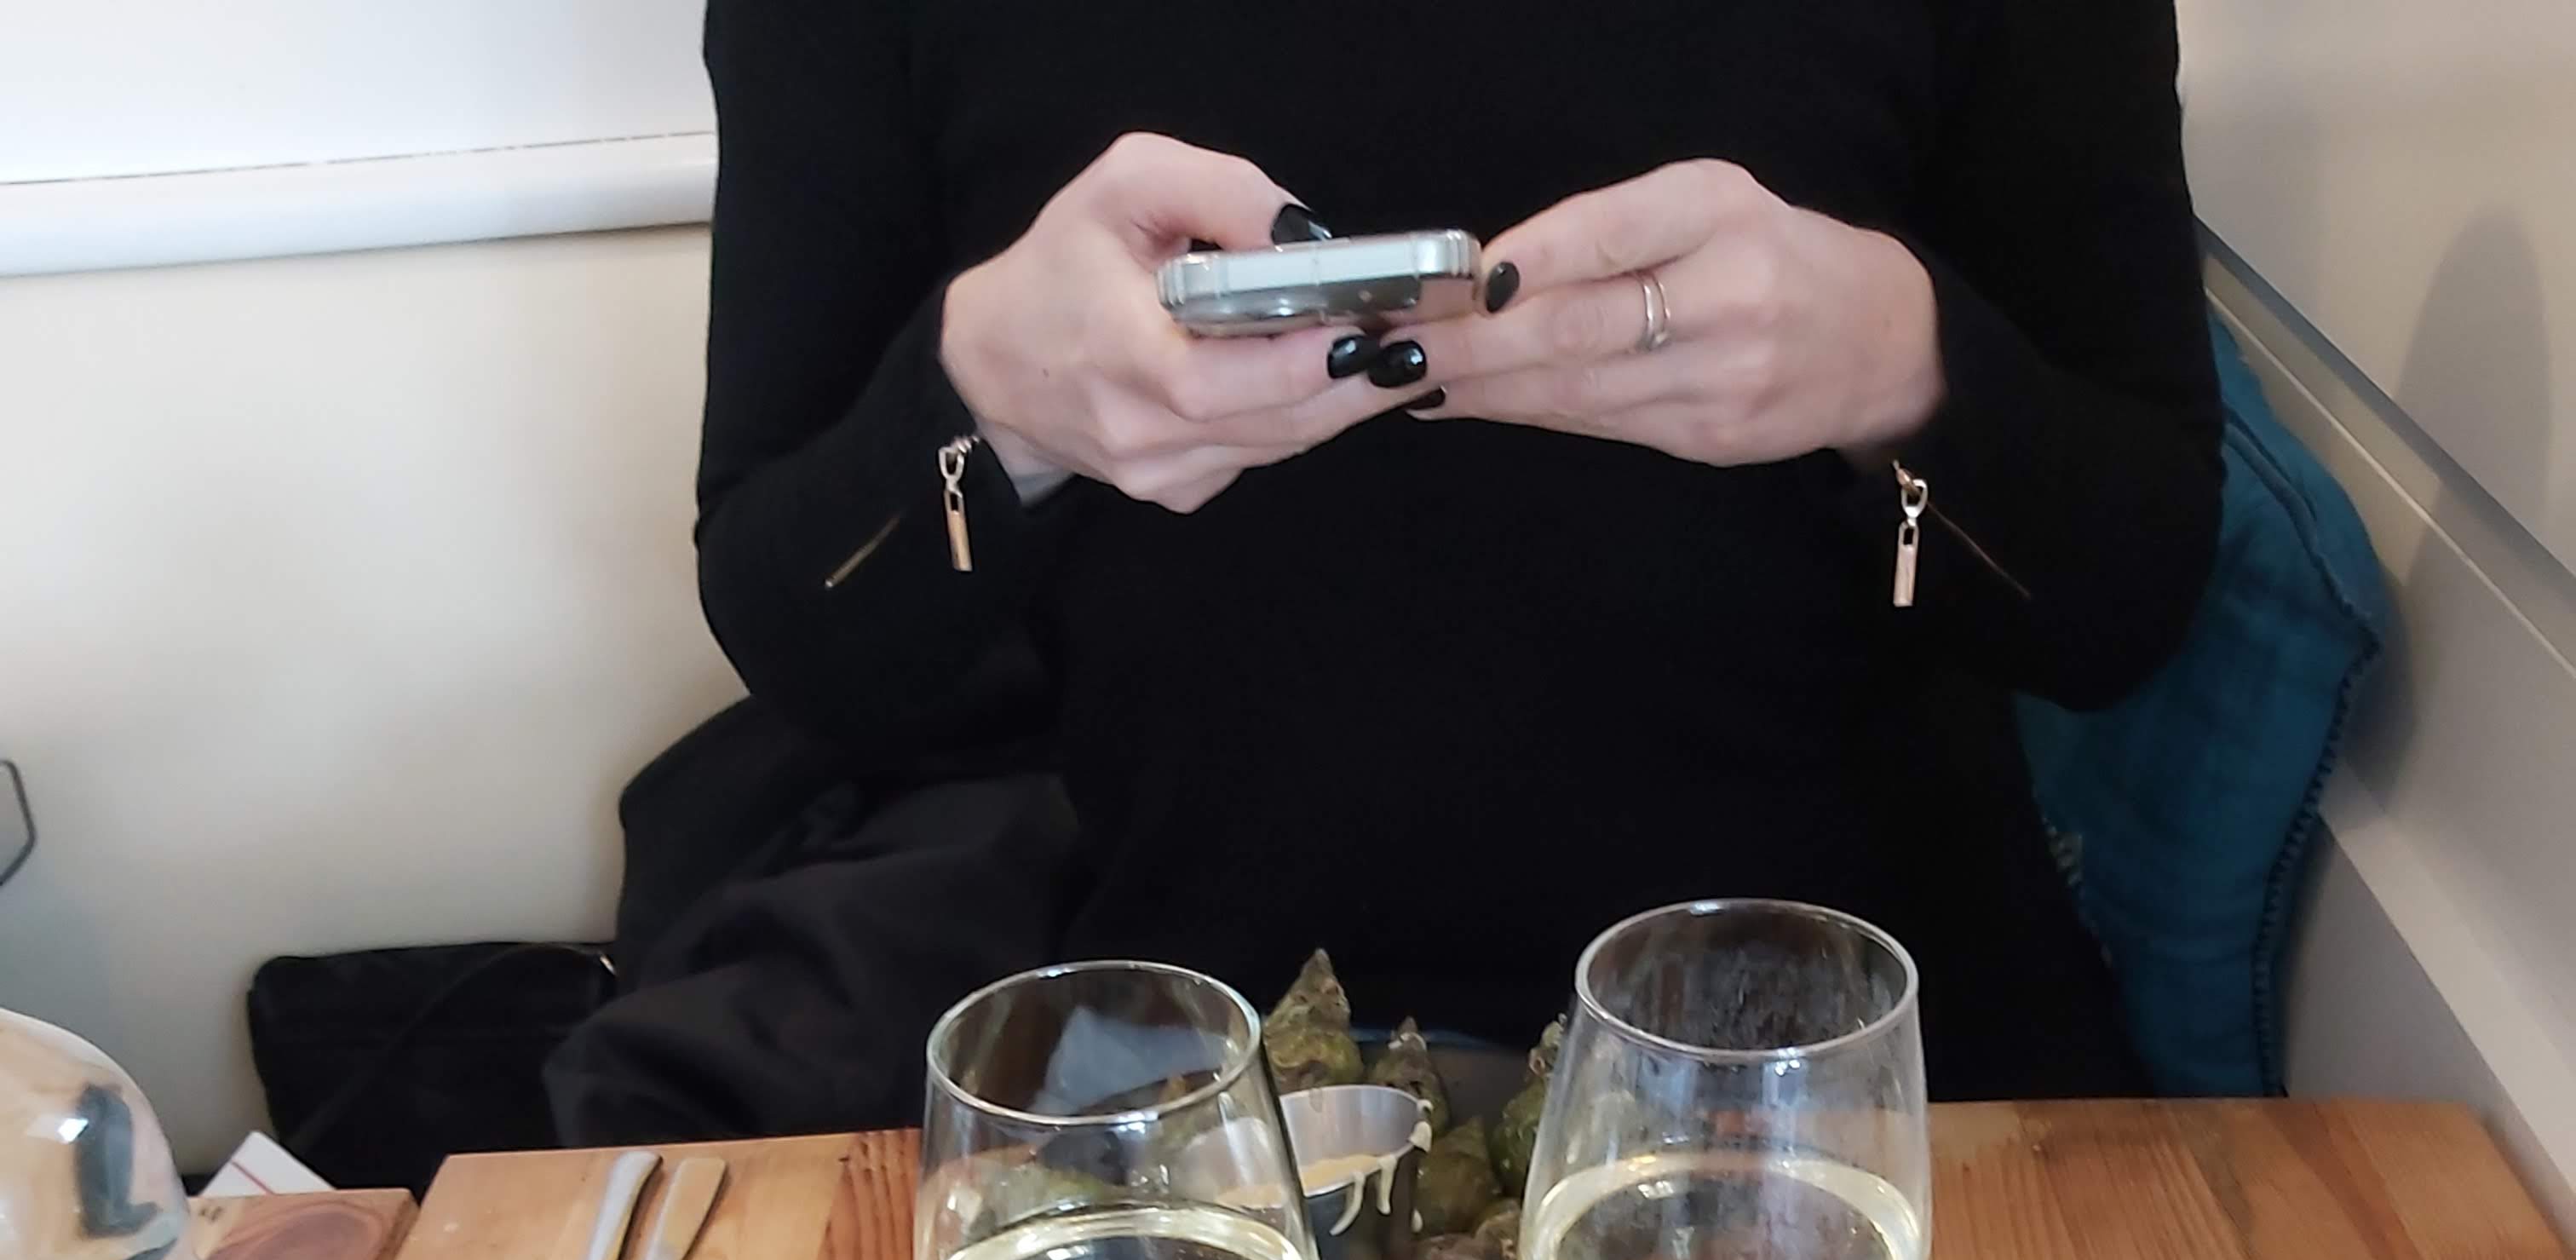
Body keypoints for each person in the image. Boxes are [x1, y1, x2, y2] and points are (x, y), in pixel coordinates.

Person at [552, 0, 2220, 1142]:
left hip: (1854, 1086)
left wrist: (1903, 372)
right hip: (1200, 1090)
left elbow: (2128, 590)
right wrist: (990, 402)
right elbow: (805, 627)